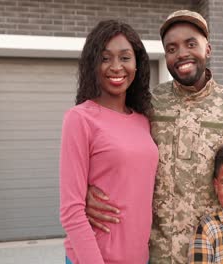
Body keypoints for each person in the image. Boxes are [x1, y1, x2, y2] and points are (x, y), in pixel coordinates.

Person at [86, 10, 223, 264]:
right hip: (152, 255)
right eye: (172, 48)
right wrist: (87, 191)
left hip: (216, 253)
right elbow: (107, 152)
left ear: (208, 49)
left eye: (191, 43)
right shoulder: (147, 104)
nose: (181, 53)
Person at [59, 20, 158, 264]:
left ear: (137, 64)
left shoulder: (143, 120)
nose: (116, 67)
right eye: (105, 58)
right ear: (93, 64)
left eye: (125, 57)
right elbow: (71, 209)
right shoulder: (79, 118)